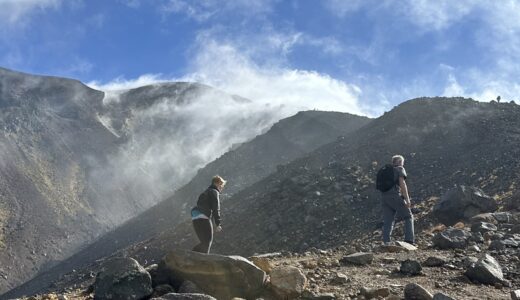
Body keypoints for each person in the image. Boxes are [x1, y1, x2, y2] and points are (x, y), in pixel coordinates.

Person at [381, 155, 414, 245]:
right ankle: (409, 240)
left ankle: (386, 242)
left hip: (384, 197)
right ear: (399, 162)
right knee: (408, 216)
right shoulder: (399, 169)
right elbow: (402, 184)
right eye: (402, 163)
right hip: (394, 195)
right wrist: (407, 199)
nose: (403, 165)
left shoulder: (386, 171)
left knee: (388, 220)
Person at [191, 175, 226, 253]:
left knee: (204, 242)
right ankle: (202, 262)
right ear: (217, 183)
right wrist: (218, 224)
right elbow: (216, 208)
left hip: (195, 216)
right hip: (203, 215)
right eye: (221, 185)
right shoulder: (214, 191)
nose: (222, 188)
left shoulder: (205, 192)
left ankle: (190, 256)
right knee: (207, 242)